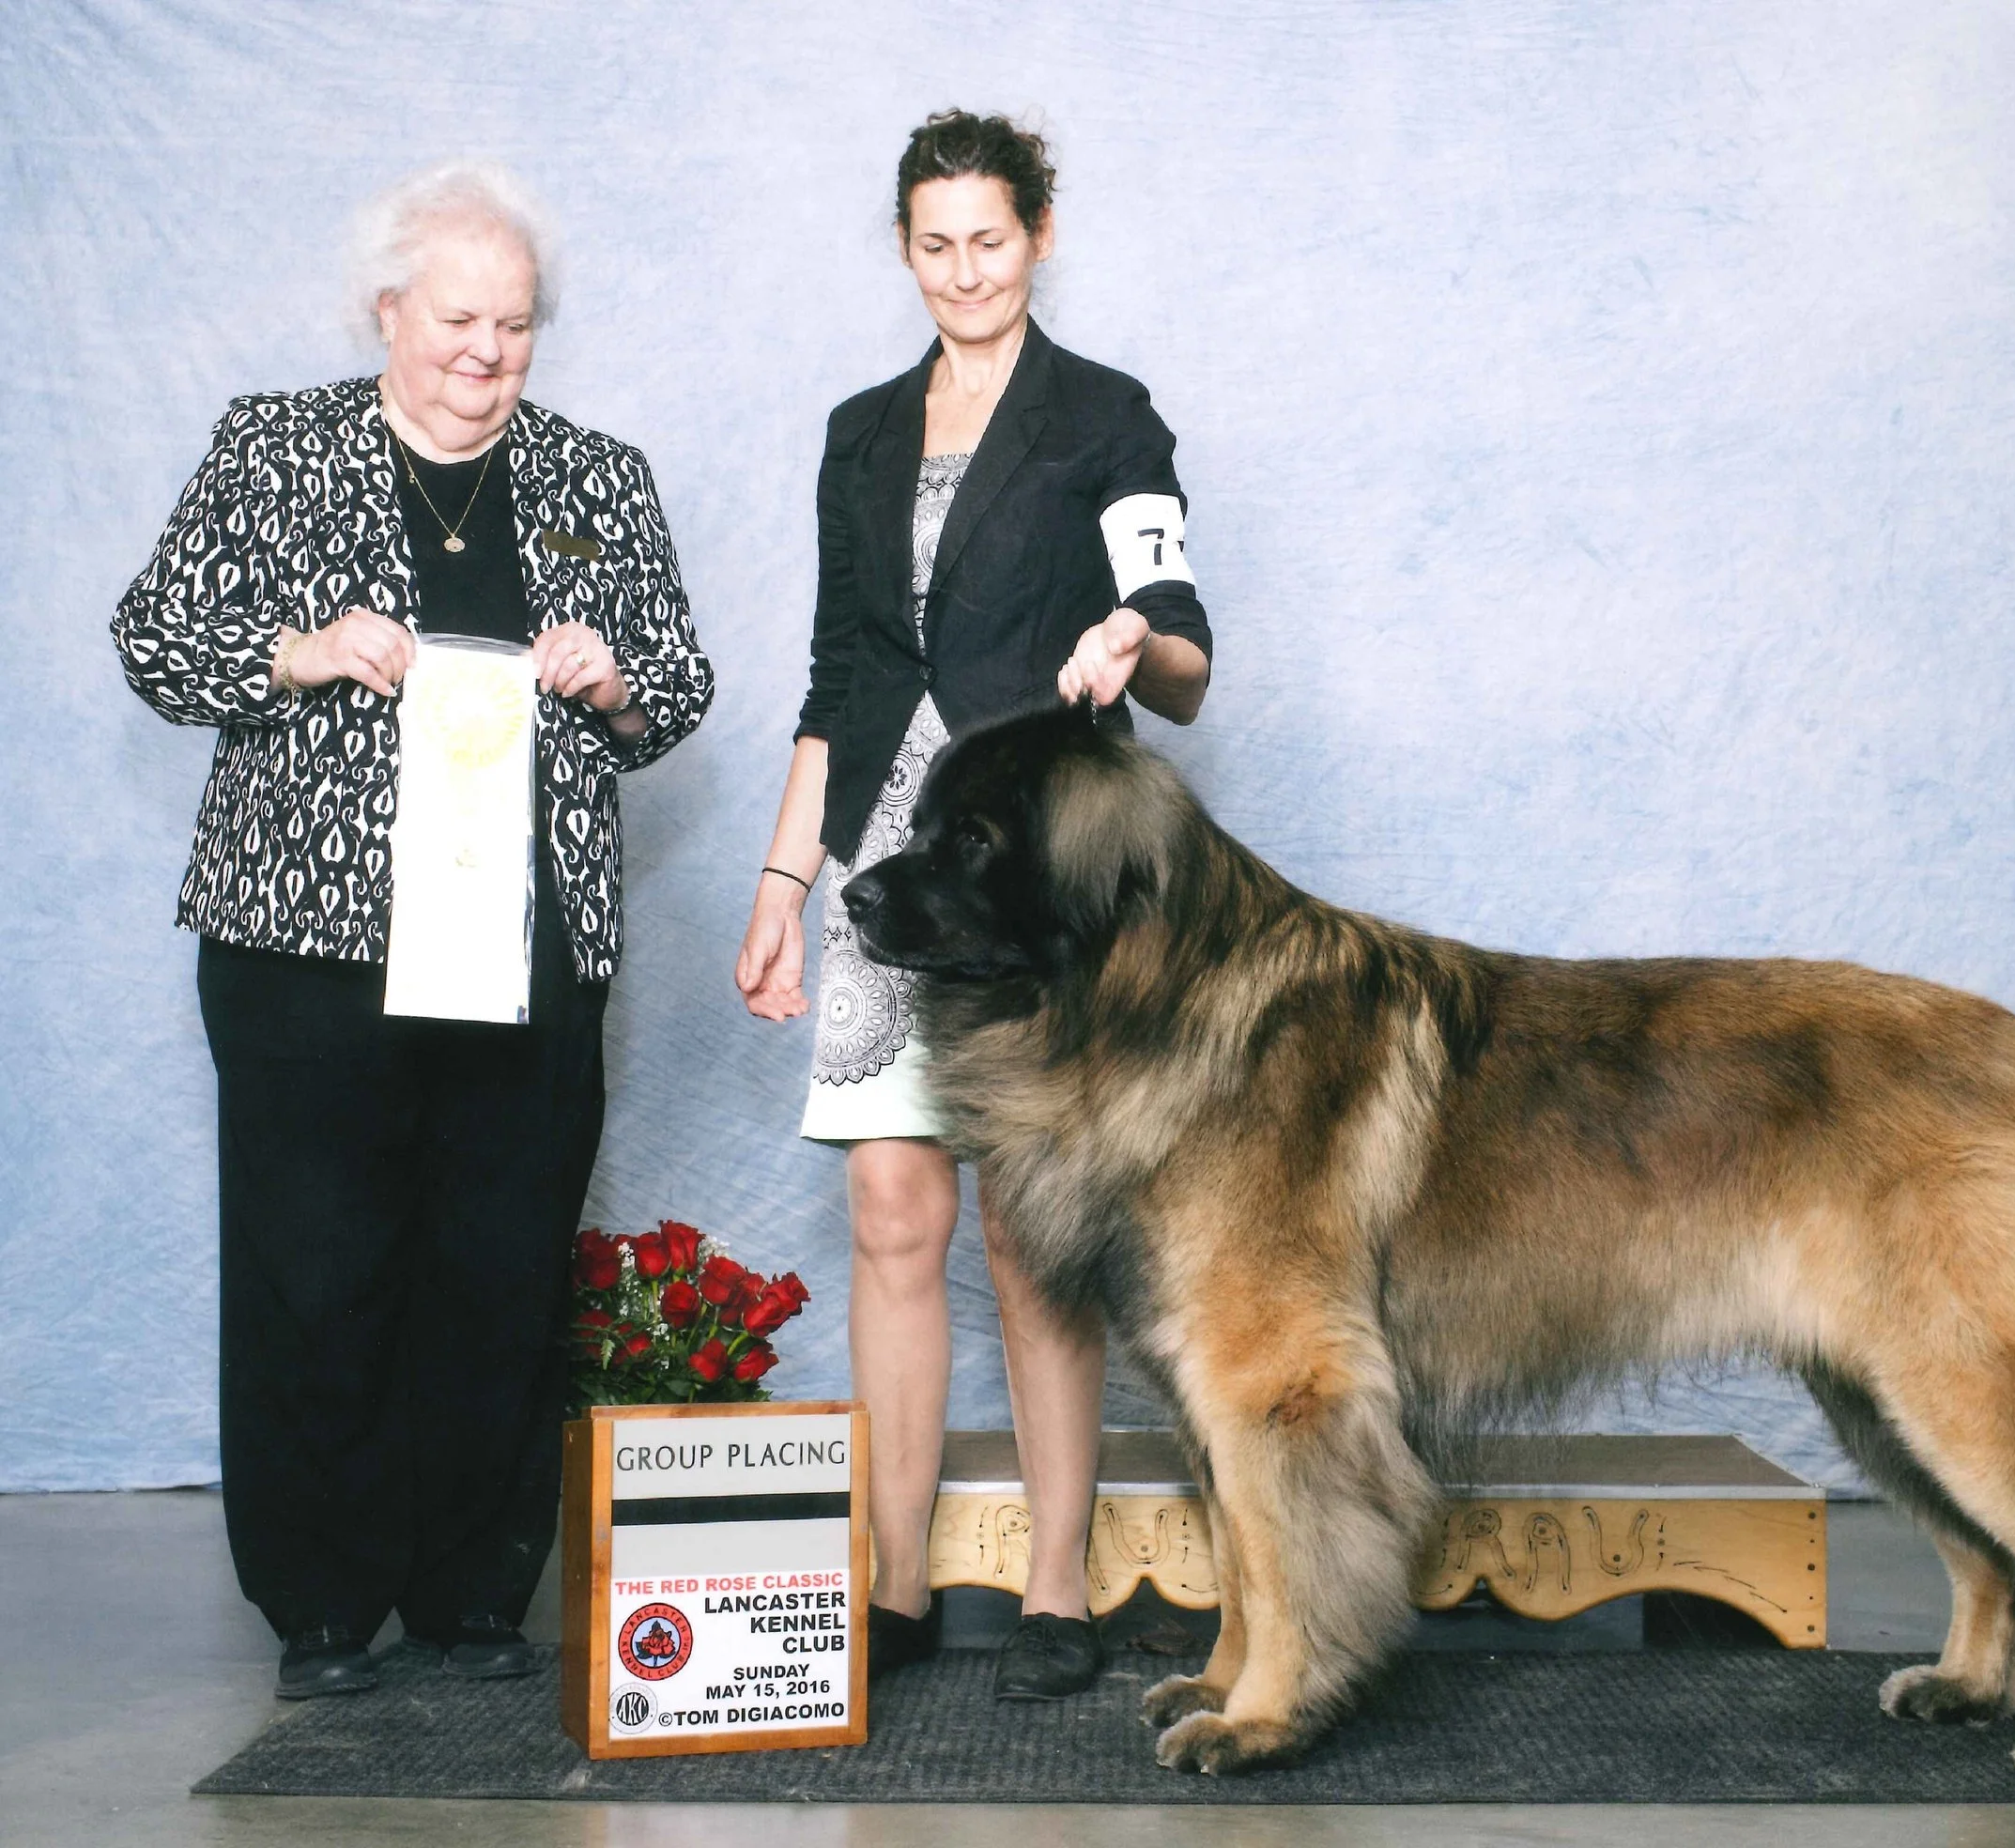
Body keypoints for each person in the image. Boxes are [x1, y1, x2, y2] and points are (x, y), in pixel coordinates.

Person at [112, 161, 715, 1701]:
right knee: (319, 1268)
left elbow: (678, 697)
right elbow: (155, 638)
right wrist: (300, 650)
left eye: (515, 325)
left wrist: (613, 680)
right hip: (308, 950)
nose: (486, 351)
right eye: (457, 317)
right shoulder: (274, 447)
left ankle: (470, 1589)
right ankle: (322, 1600)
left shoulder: (599, 476)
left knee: (501, 1265)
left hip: (529, 954)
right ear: (388, 310)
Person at [735, 111, 1212, 1700]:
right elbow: (840, 676)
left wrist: (1135, 646)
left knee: (1028, 1233)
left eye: (989, 241)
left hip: (1025, 880)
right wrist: (782, 879)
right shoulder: (861, 431)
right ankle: (894, 1587)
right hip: (888, 859)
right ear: (903, 249)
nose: (963, 272)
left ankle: (1063, 1591)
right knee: (893, 1210)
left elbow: (1188, 638)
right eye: (934, 245)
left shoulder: (1103, 418)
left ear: (1042, 233)